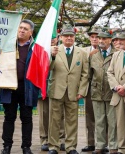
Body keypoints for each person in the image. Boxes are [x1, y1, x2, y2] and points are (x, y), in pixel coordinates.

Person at [48, 24, 89, 154]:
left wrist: (82, 91)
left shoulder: (81, 53)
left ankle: (70, 146)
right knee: (54, 120)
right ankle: (53, 146)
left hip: (73, 92)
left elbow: (85, 74)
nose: (69, 38)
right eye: (66, 36)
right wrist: (52, 56)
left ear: (74, 37)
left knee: (72, 121)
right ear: (61, 37)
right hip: (56, 90)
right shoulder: (54, 50)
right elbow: (48, 68)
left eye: (71, 36)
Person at [0, 19, 39, 154]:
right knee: (9, 117)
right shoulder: (7, 44)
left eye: (25, 29)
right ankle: (6, 146)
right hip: (9, 86)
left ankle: (26, 147)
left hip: (27, 87)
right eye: (20, 28)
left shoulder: (36, 47)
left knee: (27, 118)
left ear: (31, 32)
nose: (21, 31)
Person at [89, 28, 118, 154]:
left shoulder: (117, 53)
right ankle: (99, 146)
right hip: (97, 92)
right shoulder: (93, 54)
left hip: (112, 92)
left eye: (104, 38)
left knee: (113, 121)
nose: (101, 40)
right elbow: (89, 75)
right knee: (99, 121)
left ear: (110, 40)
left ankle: (113, 146)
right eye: (100, 38)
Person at [38, 35, 66, 152]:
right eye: (49, 36)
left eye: (53, 37)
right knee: (44, 114)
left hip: (58, 86)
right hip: (43, 85)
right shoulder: (39, 49)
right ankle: (45, 140)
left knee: (59, 115)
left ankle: (61, 140)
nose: (51, 39)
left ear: (58, 38)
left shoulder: (62, 50)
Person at [82, 26, 101, 152]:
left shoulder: (106, 50)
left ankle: (102, 144)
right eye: (92, 37)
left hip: (102, 88)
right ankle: (91, 143)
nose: (94, 39)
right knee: (89, 116)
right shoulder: (83, 51)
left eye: (97, 37)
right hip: (89, 87)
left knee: (102, 117)